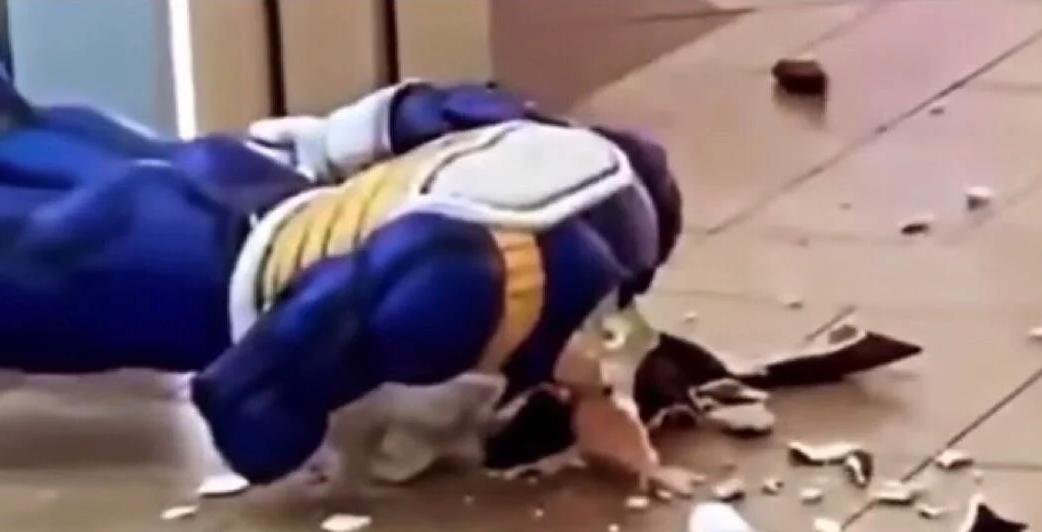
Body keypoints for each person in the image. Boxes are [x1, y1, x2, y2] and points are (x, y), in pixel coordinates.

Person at [0, 74, 699, 493]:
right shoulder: (492, 277)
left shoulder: (574, 159)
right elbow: (290, 354)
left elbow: (418, 112)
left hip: (253, 178)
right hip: (194, 275)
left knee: (25, 134)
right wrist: (272, 425)